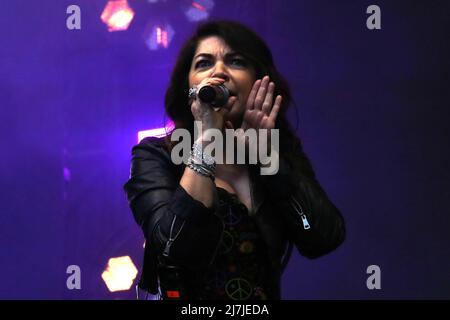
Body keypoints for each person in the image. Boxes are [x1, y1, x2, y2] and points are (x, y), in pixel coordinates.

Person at [123, 20, 345, 300]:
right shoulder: (156, 156)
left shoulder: (277, 155)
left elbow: (323, 238)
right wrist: (206, 141)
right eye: (204, 63)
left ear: (258, 81)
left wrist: (267, 160)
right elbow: (173, 248)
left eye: (236, 61)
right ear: (189, 88)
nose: (219, 72)